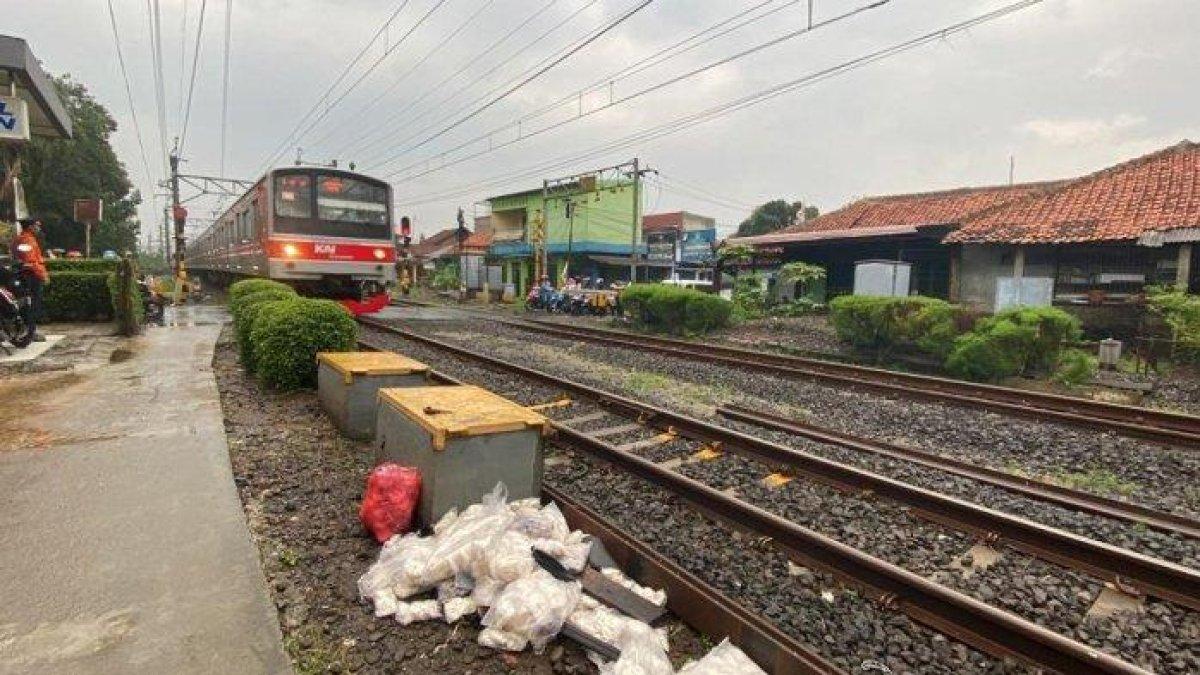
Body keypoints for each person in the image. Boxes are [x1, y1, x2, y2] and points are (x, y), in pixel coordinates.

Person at [14, 220, 49, 342]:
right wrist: (42, 274)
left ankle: (30, 330)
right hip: (31, 276)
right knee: (32, 305)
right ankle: (30, 331)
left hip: (30, 274)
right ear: (30, 227)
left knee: (31, 304)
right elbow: (29, 262)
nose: (39, 227)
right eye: (37, 225)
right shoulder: (26, 240)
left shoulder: (28, 239)